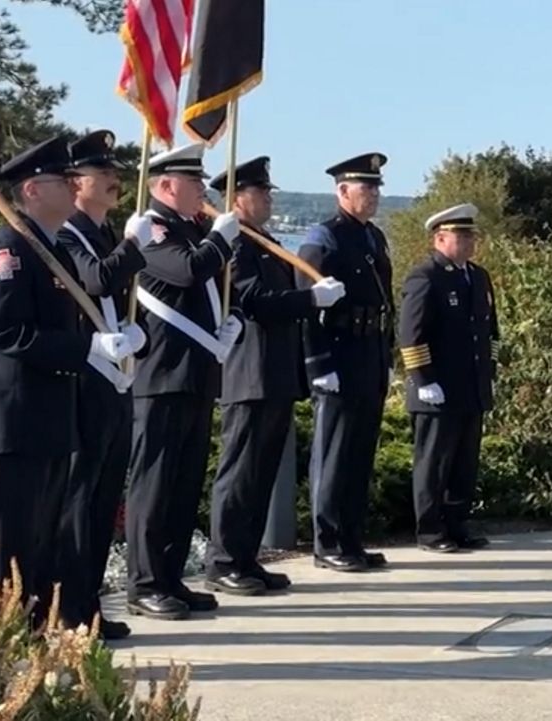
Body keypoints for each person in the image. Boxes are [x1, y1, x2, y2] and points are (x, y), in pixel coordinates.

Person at [0, 135, 138, 626]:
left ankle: (36, 648)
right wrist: (88, 349)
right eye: (63, 180)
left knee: (40, 555)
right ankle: (0, 655)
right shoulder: (8, 250)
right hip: (14, 427)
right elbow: (10, 333)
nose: (73, 185)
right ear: (34, 190)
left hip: (51, 423)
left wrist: (109, 338)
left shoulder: (47, 249)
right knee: (10, 557)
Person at [205, 156, 346, 595]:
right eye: (260, 191)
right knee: (241, 471)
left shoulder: (262, 240)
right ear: (236, 198)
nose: (268, 197)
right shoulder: (235, 244)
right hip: (249, 371)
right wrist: (310, 302)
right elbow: (255, 301)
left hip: (276, 370)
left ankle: (247, 557)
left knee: (262, 472)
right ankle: (224, 560)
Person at [125, 143, 243, 620]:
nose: (202, 190)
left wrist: (229, 319)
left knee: (182, 484)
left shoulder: (190, 229)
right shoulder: (150, 229)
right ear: (166, 186)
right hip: (161, 374)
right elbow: (187, 271)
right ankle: (145, 583)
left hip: (195, 372)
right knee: (154, 485)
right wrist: (220, 241)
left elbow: (211, 290)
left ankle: (171, 577)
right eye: (194, 183)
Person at [54, 129, 152, 639]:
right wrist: (135, 246)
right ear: (75, 183)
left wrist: (140, 336)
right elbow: (95, 281)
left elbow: (120, 293)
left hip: (117, 380)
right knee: (80, 499)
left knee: (103, 497)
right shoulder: (68, 234)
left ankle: (88, 602)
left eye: (115, 172)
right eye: (105, 173)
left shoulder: (106, 233)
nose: (116, 180)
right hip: (86, 381)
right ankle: (70, 608)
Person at [295, 152, 394, 573]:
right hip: (338, 352)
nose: (372, 195)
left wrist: (386, 355)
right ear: (342, 191)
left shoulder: (373, 237)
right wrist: (318, 362)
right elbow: (308, 307)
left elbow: (385, 303)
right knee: (334, 453)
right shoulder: (325, 238)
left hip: (368, 351)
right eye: (365, 188)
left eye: (375, 188)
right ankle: (328, 541)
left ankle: (351, 537)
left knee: (359, 454)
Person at [398, 203, 498, 553]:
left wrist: (490, 373)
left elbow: (489, 334)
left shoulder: (478, 276)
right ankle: (430, 530)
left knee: (464, 463)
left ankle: (458, 524)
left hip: (471, 386)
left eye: (472, 235)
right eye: (462, 236)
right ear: (441, 238)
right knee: (434, 464)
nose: (470, 242)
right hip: (438, 389)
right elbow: (411, 334)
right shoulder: (426, 276)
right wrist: (423, 379)